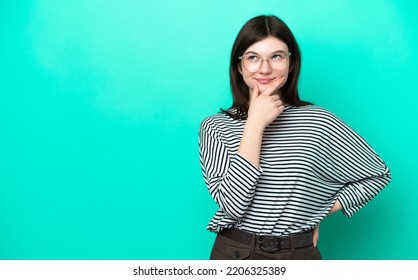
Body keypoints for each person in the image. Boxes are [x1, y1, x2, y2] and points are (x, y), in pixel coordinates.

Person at [198, 15, 391, 260]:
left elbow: (377, 174)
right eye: (253, 58)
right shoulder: (215, 127)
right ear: (239, 66)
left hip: (298, 254)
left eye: (276, 56)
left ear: (291, 63)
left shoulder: (318, 121)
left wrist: (316, 212)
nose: (264, 68)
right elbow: (234, 206)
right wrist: (255, 124)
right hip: (236, 252)